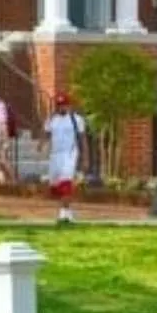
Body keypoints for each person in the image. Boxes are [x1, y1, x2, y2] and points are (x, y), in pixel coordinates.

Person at [45, 92, 87, 224]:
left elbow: (82, 139)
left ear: (69, 105)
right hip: (55, 154)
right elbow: (46, 133)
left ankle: (63, 212)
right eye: (59, 105)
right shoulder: (52, 120)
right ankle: (67, 211)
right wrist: (42, 145)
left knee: (66, 182)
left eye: (64, 105)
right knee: (55, 186)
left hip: (69, 153)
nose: (62, 108)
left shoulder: (76, 120)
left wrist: (85, 157)